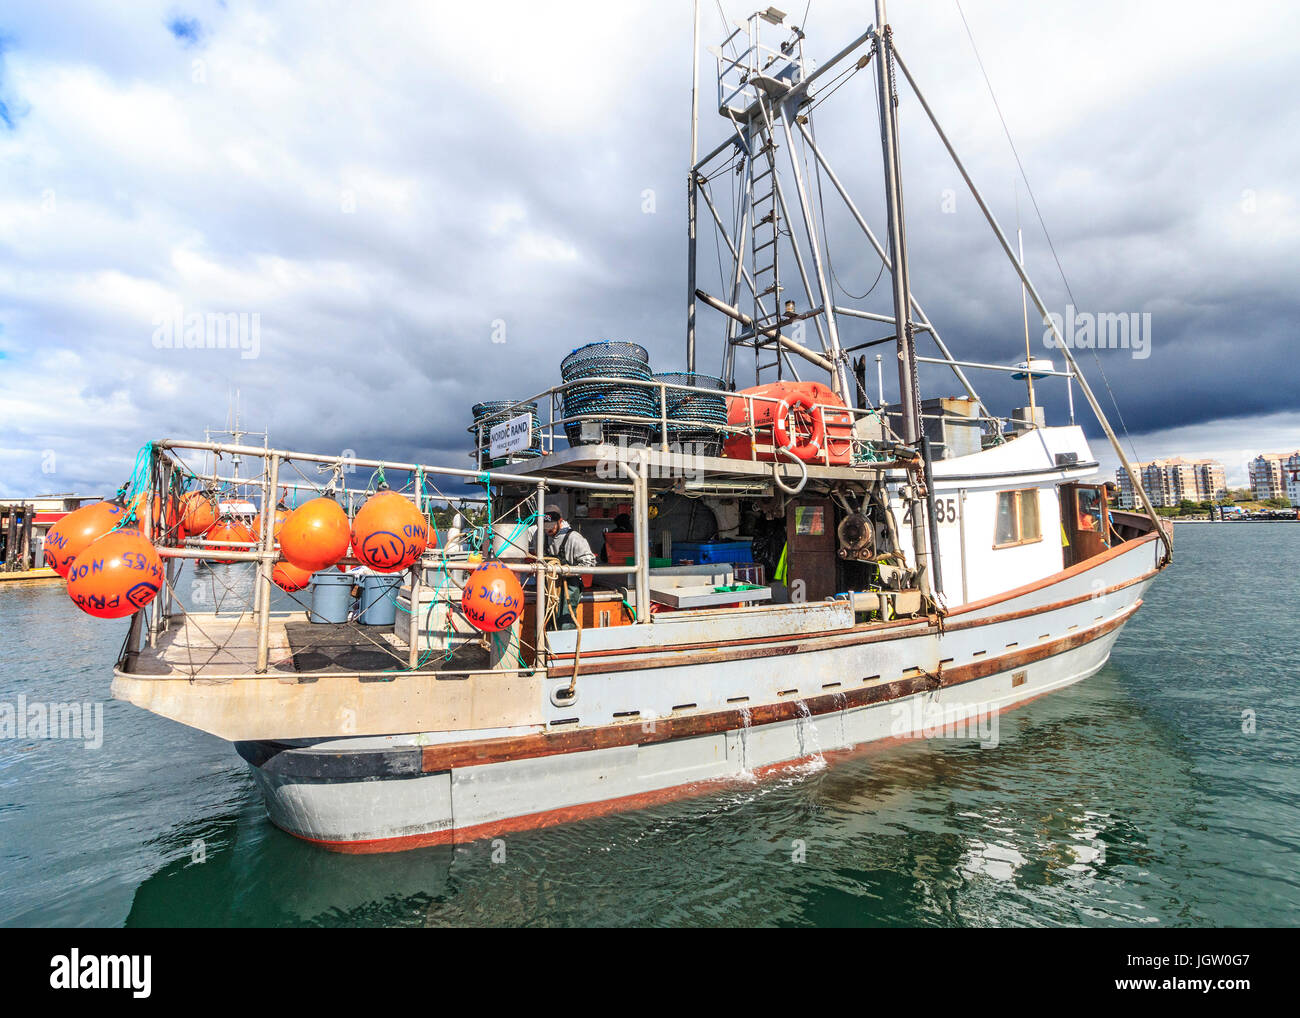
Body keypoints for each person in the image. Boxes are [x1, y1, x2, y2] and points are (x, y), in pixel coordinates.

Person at [527, 508, 598, 630]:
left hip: (568, 587)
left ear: (560, 521)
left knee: (565, 624)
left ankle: (566, 648)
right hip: (548, 587)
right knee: (543, 623)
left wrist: (565, 571)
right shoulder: (540, 535)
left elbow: (590, 563)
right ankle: (544, 648)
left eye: (551, 526)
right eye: (545, 526)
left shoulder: (574, 538)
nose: (548, 530)